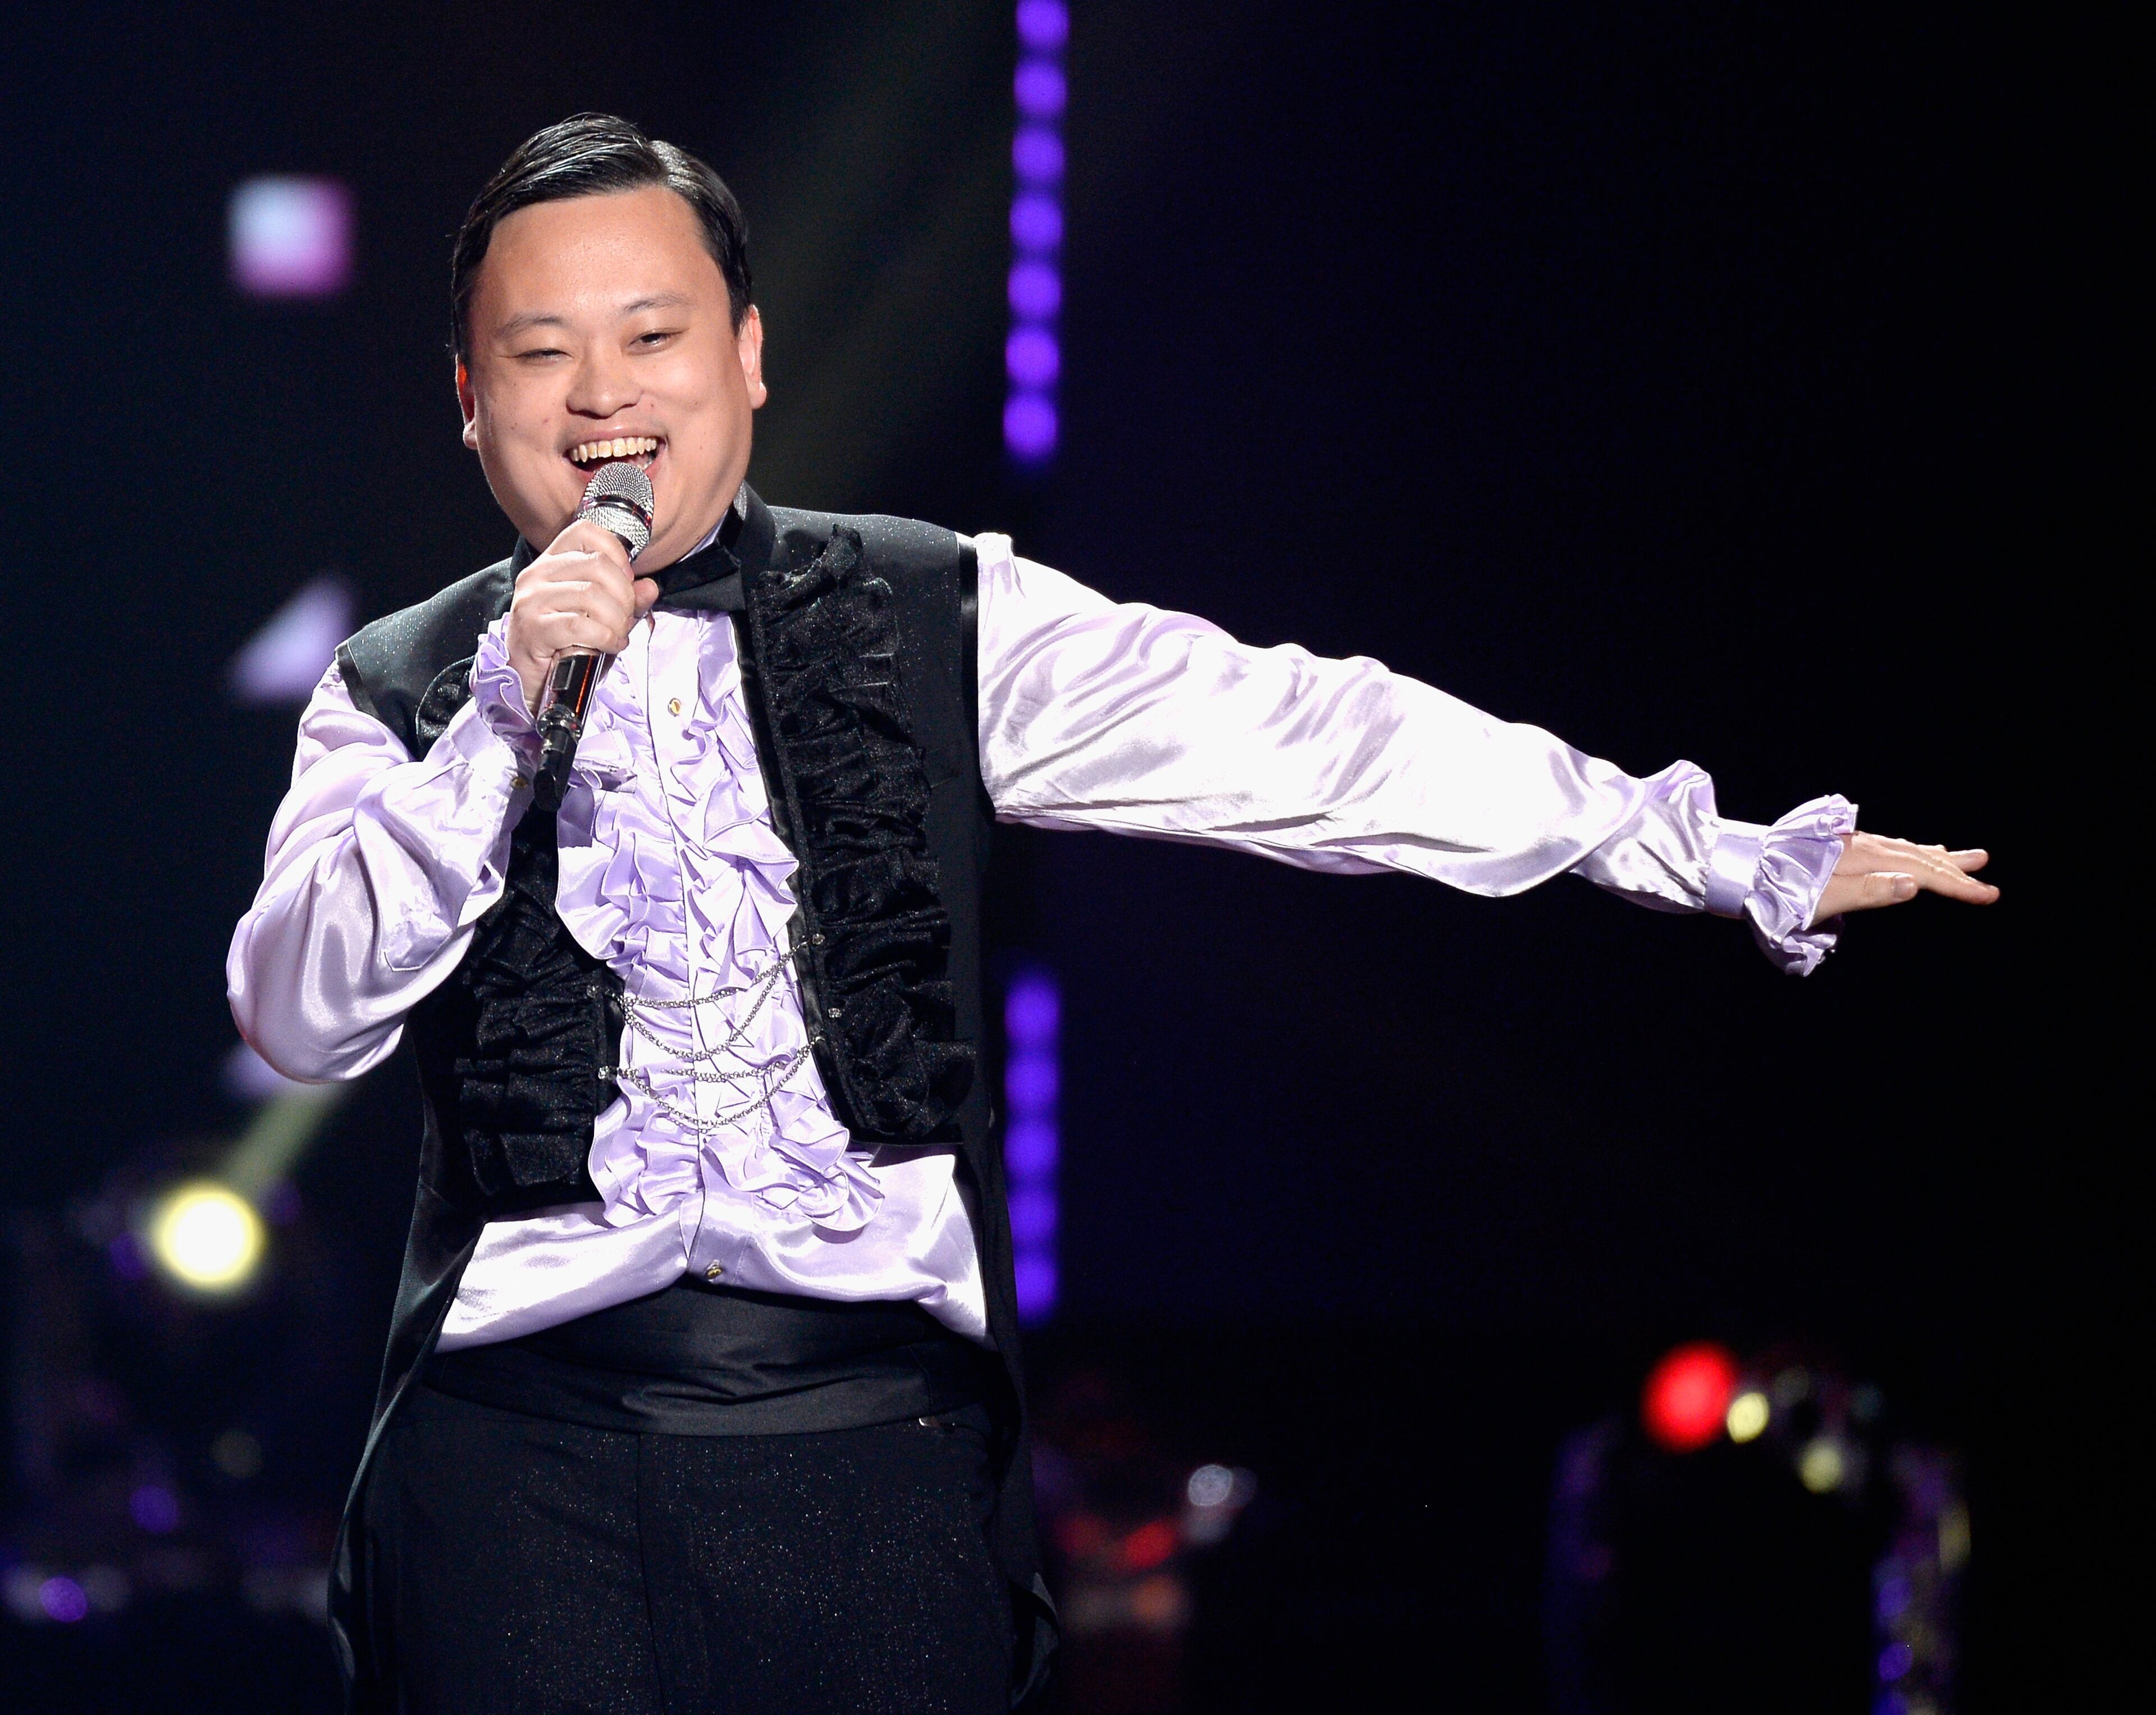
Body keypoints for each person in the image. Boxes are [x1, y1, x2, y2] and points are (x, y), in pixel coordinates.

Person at [226, 113, 1996, 1715]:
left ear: (751, 359)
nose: (602, 393)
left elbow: (1305, 735)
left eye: (654, 335)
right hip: (518, 1473)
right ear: (470, 396)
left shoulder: (933, 612)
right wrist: (511, 712)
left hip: (871, 1468)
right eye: (542, 353)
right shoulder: (406, 686)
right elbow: (299, 1013)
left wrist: (1689, 845)